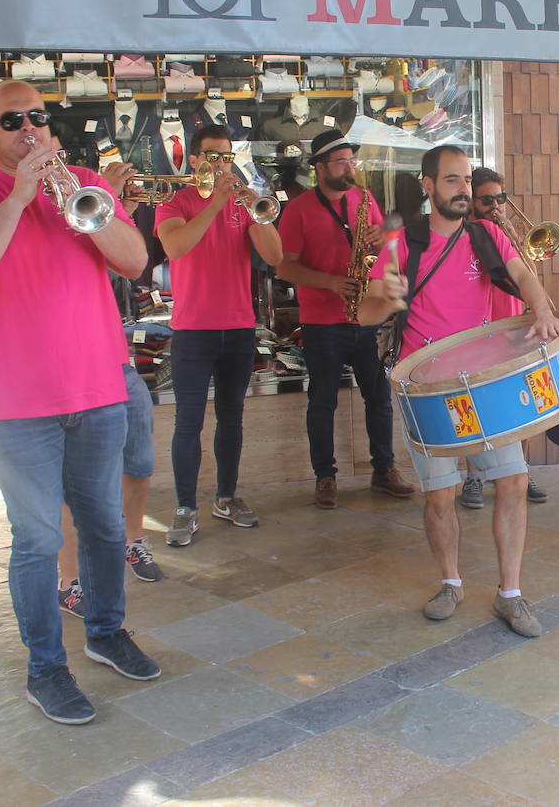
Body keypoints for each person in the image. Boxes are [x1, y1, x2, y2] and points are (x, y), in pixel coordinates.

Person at [0, 80, 159, 725]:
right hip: (11, 401)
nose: (27, 128)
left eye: (37, 117)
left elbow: (136, 261)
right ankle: (46, 670)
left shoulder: (84, 181)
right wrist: (20, 196)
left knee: (106, 525)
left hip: (96, 389)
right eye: (11, 122)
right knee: (37, 538)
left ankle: (107, 632)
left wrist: (80, 208)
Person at [358, 145, 559, 637]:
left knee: (513, 481)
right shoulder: (401, 242)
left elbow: (524, 277)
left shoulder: (488, 235)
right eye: (451, 181)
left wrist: (541, 310)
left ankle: (510, 594)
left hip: (484, 381)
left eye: (466, 180)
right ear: (428, 186)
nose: (463, 190)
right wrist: (385, 297)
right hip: (426, 387)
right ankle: (451, 582)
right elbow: (365, 315)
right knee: (441, 495)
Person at [155, 126, 283, 546]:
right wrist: (214, 204)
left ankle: (225, 497)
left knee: (232, 419)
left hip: (239, 328)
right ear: (194, 161)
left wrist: (252, 209)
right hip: (193, 330)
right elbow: (176, 247)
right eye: (212, 156)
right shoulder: (175, 202)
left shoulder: (242, 203)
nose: (220, 164)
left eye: (226, 156)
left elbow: (274, 255)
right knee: (187, 423)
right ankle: (185, 507)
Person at [275, 130, 416, 509]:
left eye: (352, 161)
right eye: (341, 162)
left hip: (366, 318)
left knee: (379, 399)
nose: (350, 167)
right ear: (319, 168)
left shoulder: (364, 199)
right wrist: (331, 283)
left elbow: (388, 250)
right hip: (323, 322)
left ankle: (383, 470)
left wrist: (380, 237)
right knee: (322, 402)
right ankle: (325, 476)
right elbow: (285, 267)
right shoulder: (298, 209)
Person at [57, 155, 165, 619]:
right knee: (72, 481)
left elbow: (133, 266)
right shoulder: (69, 214)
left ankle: (133, 539)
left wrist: (114, 206)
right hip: (69, 363)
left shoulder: (103, 212)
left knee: (139, 460)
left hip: (117, 357)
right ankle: (69, 578)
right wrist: (105, 198)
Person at [458, 166, 548, 509]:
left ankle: (518, 473)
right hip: (482, 330)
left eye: (500, 198)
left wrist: (515, 241)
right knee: (477, 408)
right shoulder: (468, 235)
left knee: (520, 405)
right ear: (472, 202)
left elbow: (532, 277)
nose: (495, 205)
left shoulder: (505, 233)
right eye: (487, 199)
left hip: (514, 327)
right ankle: (474, 477)